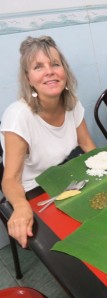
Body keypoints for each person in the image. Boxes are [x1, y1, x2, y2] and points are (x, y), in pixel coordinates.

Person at [0, 36, 96, 248]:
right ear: (28, 78)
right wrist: (21, 206)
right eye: (38, 67)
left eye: (55, 64)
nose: (50, 71)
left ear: (65, 71)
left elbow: (88, 145)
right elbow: (10, 179)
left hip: (70, 180)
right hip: (37, 192)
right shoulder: (18, 116)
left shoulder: (72, 103)